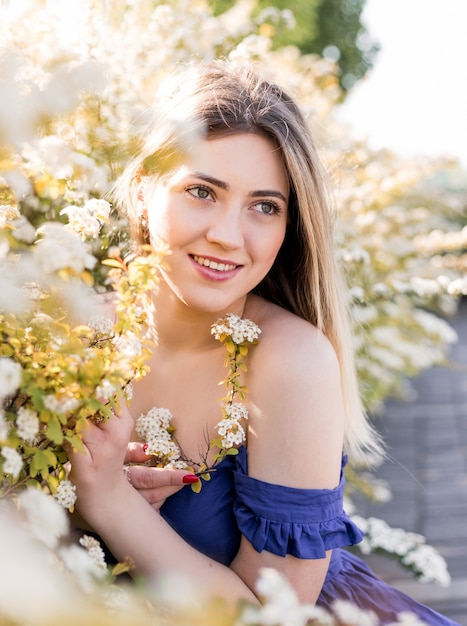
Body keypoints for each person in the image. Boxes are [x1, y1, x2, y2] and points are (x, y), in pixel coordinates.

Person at [69, 61, 460, 625]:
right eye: (201, 191)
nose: (228, 235)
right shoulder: (68, 340)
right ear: (140, 189)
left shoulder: (290, 362)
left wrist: (108, 500)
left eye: (264, 206)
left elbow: (272, 617)